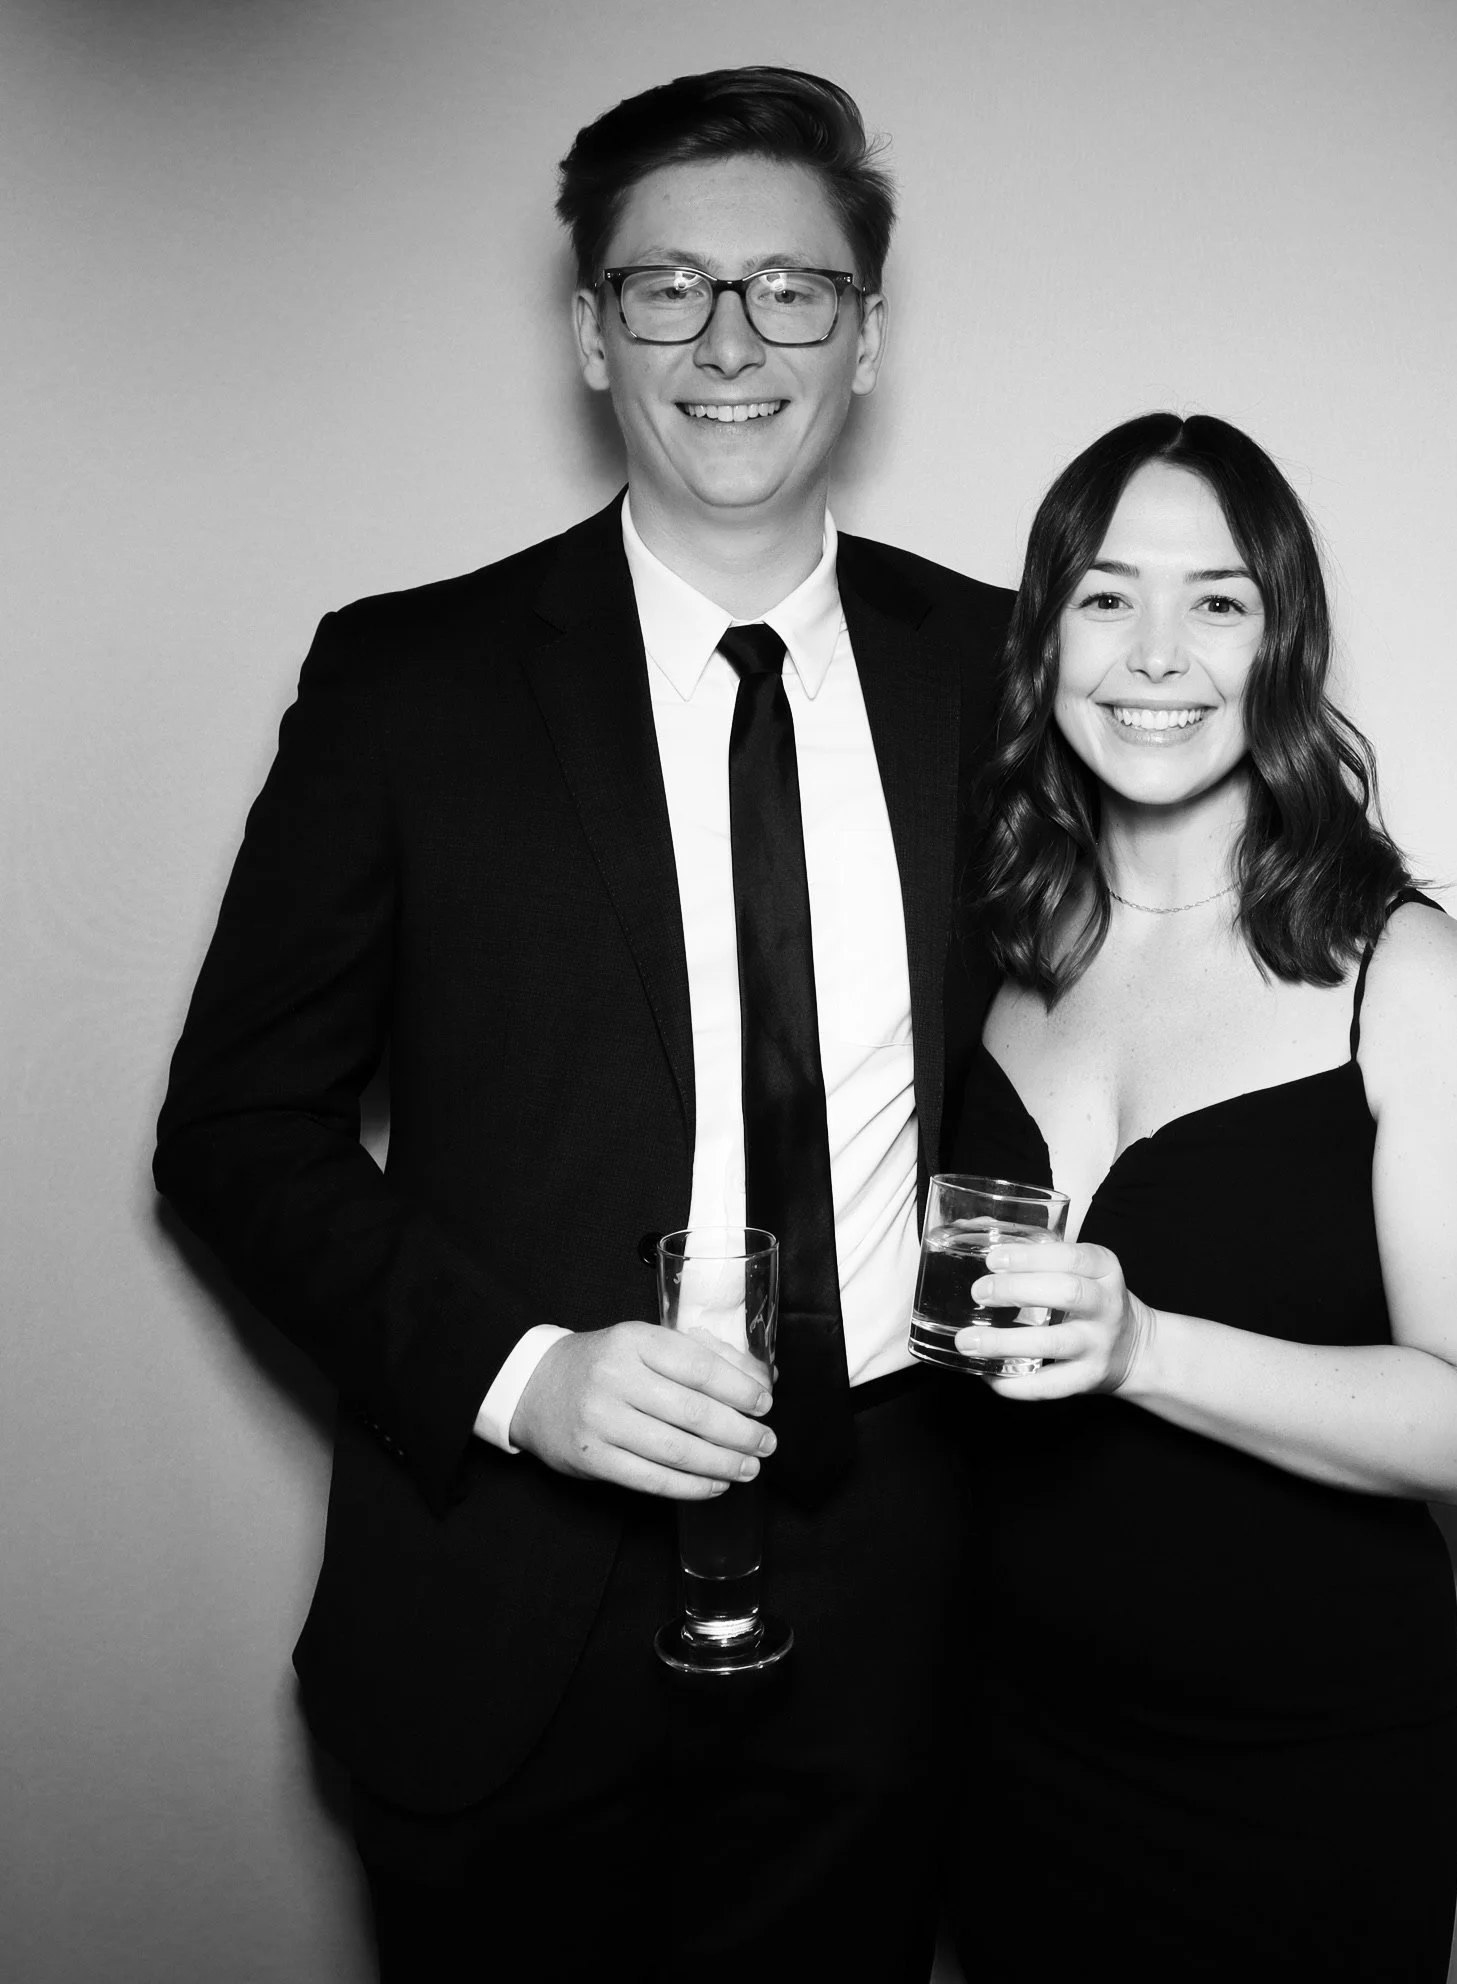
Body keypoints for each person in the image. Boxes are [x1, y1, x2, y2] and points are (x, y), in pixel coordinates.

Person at [153, 68, 1010, 1982]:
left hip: (885, 1622)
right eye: (666, 287)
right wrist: (520, 1377)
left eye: (793, 291)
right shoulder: (406, 682)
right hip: (500, 1621)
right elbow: (233, 1134)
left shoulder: (999, 667)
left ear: (864, 340)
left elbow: (1095, 1035)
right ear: (586, 328)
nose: (730, 341)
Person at [941, 413, 1457, 1981]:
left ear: (1283, 642)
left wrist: (1146, 1349)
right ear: (1045, 637)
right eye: (1104, 597)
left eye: (1216, 600)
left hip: (1299, 1767)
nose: (1157, 654)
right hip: (997, 1741)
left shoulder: (1406, 978)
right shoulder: (984, 960)